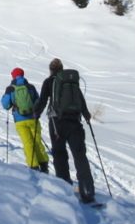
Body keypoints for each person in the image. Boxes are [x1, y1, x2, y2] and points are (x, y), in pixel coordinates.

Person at [34, 58, 95, 203]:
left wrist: (35, 114)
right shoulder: (72, 82)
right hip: (75, 122)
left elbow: (42, 101)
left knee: (60, 154)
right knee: (80, 155)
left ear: (51, 70)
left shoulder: (49, 82)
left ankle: (64, 188)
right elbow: (81, 100)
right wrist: (86, 115)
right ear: (62, 69)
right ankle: (87, 191)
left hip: (57, 123)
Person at [1, 68, 49, 173]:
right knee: (37, 141)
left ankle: (34, 166)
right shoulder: (30, 87)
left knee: (28, 143)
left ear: (13, 76)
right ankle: (44, 166)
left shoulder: (10, 89)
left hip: (20, 120)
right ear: (23, 75)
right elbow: (38, 100)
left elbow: (6, 105)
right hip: (33, 118)